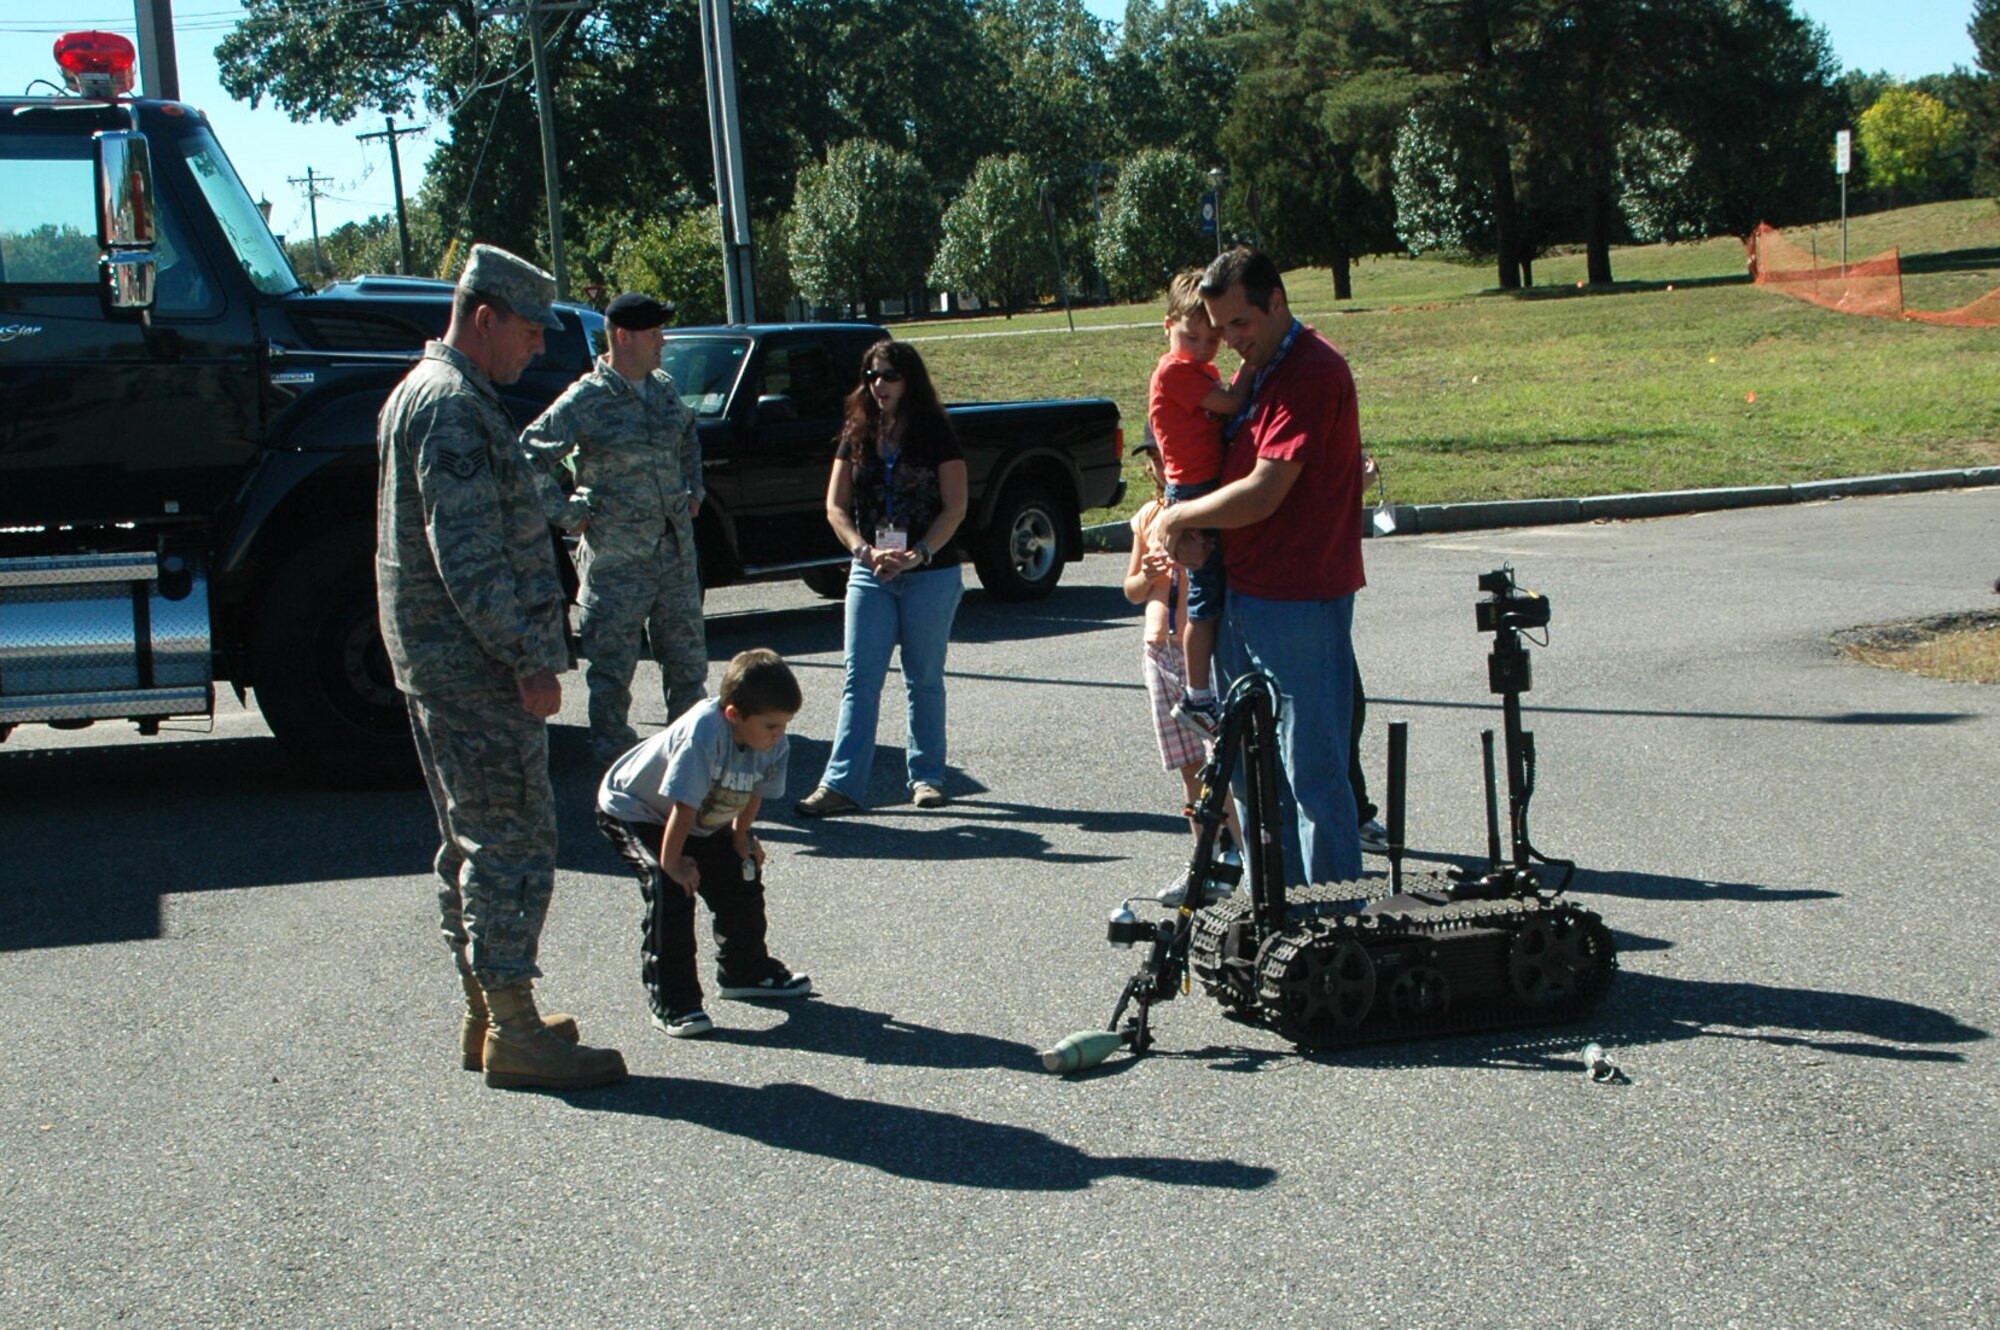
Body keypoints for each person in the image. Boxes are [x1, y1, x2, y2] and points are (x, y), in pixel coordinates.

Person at [376, 242, 626, 1090]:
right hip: (476, 666)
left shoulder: (425, 393)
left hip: (442, 662)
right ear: (484, 318)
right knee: (511, 842)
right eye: (526, 329)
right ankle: (514, 1028)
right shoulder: (451, 407)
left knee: (471, 841)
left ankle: (490, 1015)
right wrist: (527, 656)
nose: (537, 347)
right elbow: (469, 556)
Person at [1154, 247, 1368, 886]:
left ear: (1278, 301)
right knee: (1252, 771)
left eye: (1241, 323)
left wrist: (1178, 522)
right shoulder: (1260, 369)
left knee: (1312, 772)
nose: (1229, 340)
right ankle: (1277, 909)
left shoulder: (1310, 370)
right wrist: (1188, 528)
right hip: (1243, 593)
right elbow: (1211, 472)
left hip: (1301, 597)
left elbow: (1265, 490)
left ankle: (1330, 927)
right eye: (1219, 328)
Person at [522, 290, 707, 766]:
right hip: (616, 563)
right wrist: (567, 513)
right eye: (653, 333)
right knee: (611, 677)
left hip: (674, 556)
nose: (662, 341)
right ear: (623, 337)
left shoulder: (664, 387)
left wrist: (694, 490)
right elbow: (527, 456)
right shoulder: (587, 399)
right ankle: (617, 779)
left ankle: (686, 770)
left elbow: (688, 434)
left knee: (687, 670)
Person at [596, 648, 813, 1038]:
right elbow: (682, 806)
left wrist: (741, 837)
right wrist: (673, 862)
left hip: (697, 814)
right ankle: (673, 1001)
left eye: (784, 724)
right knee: (671, 887)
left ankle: (744, 970)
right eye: (770, 726)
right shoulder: (704, 733)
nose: (779, 734)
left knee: (740, 870)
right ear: (733, 715)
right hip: (637, 809)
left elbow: (754, 791)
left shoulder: (773, 741)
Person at [794, 340, 969, 816]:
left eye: (889, 375)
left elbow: (956, 506)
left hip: (930, 572)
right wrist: (862, 550)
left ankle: (928, 777)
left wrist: (920, 553)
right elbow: (835, 506)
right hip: (870, 571)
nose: (879, 385)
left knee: (924, 678)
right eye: (871, 375)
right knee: (860, 679)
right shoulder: (858, 432)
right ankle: (841, 785)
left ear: (909, 380)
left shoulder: (936, 433)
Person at [1122, 433, 1245, 901]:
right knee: (1188, 766)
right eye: (1151, 460)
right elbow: (1132, 590)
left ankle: (1251, 862)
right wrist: (1150, 575)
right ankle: (1203, 864)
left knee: (1223, 762)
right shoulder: (1147, 517)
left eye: (1163, 457)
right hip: (1158, 648)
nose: (1157, 466)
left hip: (1197, 648)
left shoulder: (1202, 512)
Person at [1147, 269, 1245, 740]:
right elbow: (1228, 405)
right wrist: (1255, 369)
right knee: (1204, 600)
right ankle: (1198, 696)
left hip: (1204, 485)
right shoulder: (1174, 371)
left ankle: (1205, 691)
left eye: (1213, 339)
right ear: (1168, 325)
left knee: (1214, 592)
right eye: (1192, 336)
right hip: (1193, 491)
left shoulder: (1198, 367)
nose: (1203, 347)